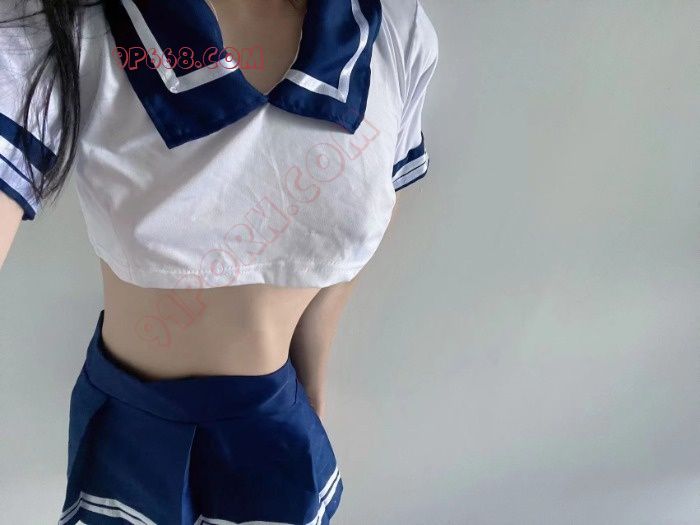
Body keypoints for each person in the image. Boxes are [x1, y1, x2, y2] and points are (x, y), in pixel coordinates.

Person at [0, 0, 439, 522]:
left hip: (281, 424)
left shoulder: (395, 34)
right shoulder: (60, 26)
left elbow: (339, 255)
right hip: (131, 426)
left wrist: (312, 399)